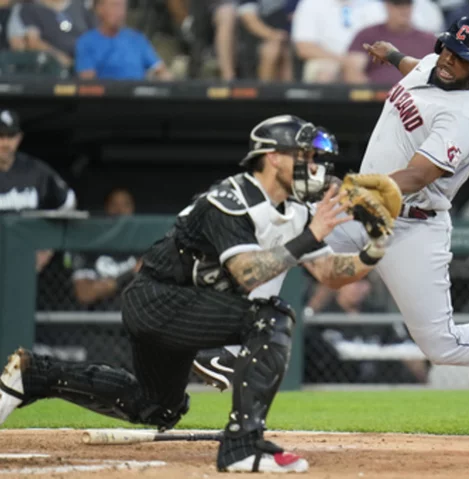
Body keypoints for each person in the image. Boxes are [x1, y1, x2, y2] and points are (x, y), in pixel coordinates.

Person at [193, 15, 469, 402]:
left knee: (440, 345)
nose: (447, 59)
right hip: (360, 210)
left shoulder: (463, 118)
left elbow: (417, 176)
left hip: (412, 227)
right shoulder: (436, 65)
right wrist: (391, 55)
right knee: (288, 238)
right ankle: (235, 348)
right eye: (447, 48)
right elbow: (418, 67)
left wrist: (355, 188)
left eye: (460, 57)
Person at [0, 115, 389, 473]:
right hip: (157, 299)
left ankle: (33, 376)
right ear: (272, 158)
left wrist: (375, 248)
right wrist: (313, 235)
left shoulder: (299, 210)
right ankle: (242, 446)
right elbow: (249, 274)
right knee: (271, 316)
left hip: (191, 307)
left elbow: (329, 273)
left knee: (155, 407)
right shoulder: (232, 199)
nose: (315, 166)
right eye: (304, 155)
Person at [0, 108, 76, 272]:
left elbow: (68, 202)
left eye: (10, 136)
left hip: (25, 263)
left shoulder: (35, 171)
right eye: (0, 136)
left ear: (19, 138)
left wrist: (47, 247)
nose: (5, 143)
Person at [69, 188, 141, 309]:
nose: (120, 210)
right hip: (97, 320)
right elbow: (85, 294)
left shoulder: (144, 245)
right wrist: (129, 274)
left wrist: (104, 286)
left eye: (125, 205)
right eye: (114, 204)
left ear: (132, 209)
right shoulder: (91, 247)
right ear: (106, 208)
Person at [74, 0, 172, 80]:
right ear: (100, 9)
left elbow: (160, 70)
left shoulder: (137, 39)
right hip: (105, 101)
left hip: (138, 101)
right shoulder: (86, 42)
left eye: (123, 6)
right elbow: (87, 85)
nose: (120, 12)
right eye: (115, 6)